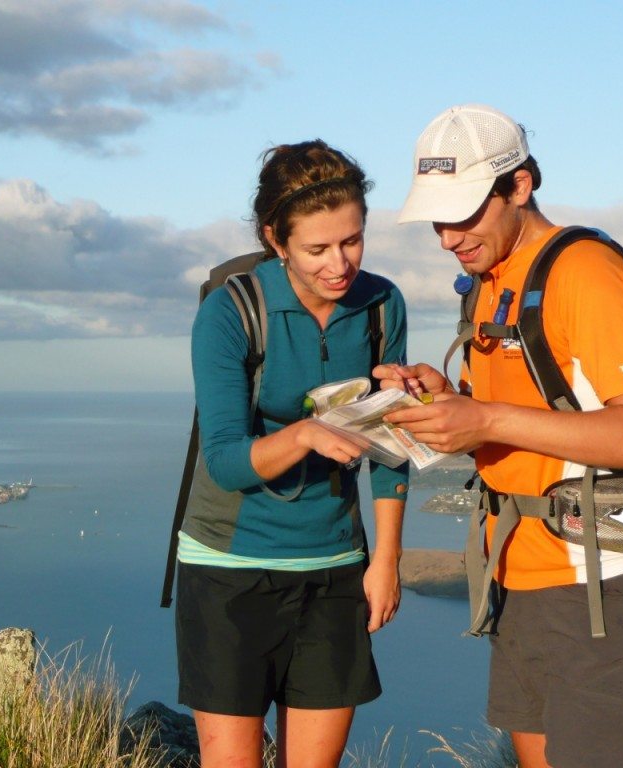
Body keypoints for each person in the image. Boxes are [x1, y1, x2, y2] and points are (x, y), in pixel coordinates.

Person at [379, 103, 623, 768]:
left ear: (520, 185)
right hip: (520, 577)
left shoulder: (583, 272)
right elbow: (535, 414)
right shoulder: (488, 282)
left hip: (605, 589)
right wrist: (450, 401)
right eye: (437, 217)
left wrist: (482, 419)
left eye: (464, 212)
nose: (448, 236)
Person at [175, 140, 409, 768]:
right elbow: (223, 459)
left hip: (335, 568)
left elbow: (391, 447)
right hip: (229, 568)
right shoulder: (232, 311)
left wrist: (386, 559)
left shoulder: (381, 304)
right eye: (317, 249)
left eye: (354, 240)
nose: (341, 264)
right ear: (277, 239)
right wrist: (305, 433)